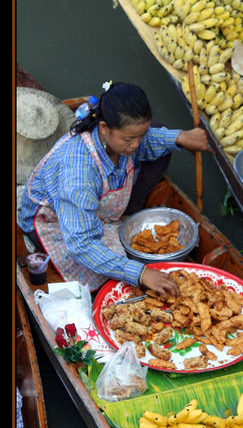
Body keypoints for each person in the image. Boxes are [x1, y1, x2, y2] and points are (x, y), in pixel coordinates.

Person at [18, 81, 211, 298]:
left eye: (140, 135)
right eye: (129, 139)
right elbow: (81, 245)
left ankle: (127, 213)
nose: (136, 145)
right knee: (112, 278)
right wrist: (140, 273)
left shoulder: (121, 139)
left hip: (92, 208)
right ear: (104, 128)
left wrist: (180, 137)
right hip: (54, 223)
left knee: (159, 136)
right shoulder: (78, 174)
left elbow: (146, 140)